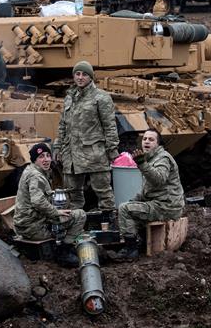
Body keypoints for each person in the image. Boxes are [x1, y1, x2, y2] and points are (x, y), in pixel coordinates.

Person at [53, 61, 119, 218]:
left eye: (84, 74)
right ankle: (77, 224)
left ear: (90, 77)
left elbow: (109, 126)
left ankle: (108, 222)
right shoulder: (69, 98)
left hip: (94, 153)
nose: (80, 77)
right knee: (73, 194)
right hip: (72, 155)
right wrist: (58, 146)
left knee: (103, 192)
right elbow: (63, 125)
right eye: (77, 74)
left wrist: (112, 149)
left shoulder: (101, 98)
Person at [111, 128, 184, 261]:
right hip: (158, 203)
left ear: (158, 144)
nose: (146, 142)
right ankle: (140, 242)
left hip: (166, 207)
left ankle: (131, 250)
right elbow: (148, 189)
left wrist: (142, 164)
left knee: (125, 209)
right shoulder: (150, 158)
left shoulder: (163, 158)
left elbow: (159, 180)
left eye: (151, 139)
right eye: (144, 139)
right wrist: (134, 200)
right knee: (127, 207)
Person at [14, 142, 86, 267]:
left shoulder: (31, 171)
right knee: (80, 215)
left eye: (48, 155)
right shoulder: (37, 177)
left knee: (66, 212)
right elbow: (38, 201)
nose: (46, 160)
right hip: (35, 228)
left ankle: (64, 248)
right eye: (41, 157)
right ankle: (64, 252)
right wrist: (55, 212)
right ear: (34, 160)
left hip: (27, 224)